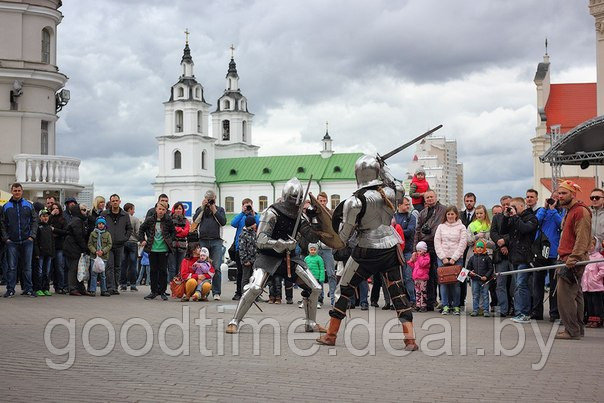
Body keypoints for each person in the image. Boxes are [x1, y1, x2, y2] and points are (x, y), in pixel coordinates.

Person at [317, 155, 418, 351]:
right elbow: (399, 186)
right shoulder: (390, 192)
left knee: (342, 291)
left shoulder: (354, 201)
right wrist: (384, 168)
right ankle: (410, 340)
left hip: (366, 249)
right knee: (398, 293)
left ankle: (330, 335)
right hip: (390, 246)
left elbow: (343, 237)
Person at [226, 178, 323, 334]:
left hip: (290, 258)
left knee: (315, 288)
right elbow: (260, 240)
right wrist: (281, 244)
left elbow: (312, 237)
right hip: (268, 257)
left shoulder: (300, 216)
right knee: (255, 287)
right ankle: (235, 320)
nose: (295, 203)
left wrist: (315, 218)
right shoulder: (272, 213)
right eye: (294, 199)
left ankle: (310, 323)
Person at [555, 180, 592, 340]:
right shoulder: (569, 211)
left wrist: (574, 257)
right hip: (568, 257)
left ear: (573, 193)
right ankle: (577, 329)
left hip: (572, 260)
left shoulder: (580, 212)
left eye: (564, 193)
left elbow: (582, 238)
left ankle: (571, 330)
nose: (560, 196)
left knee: (565, 296)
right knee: (576, 294)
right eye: (559, 193)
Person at [502, 197, 538, 324]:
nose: (511, 209)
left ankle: (524, 313)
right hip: (514, 257)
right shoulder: (512, 218)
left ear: (521, 206)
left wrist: (515, 217)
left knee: (521, 285)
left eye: (514, 207)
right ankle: (519, 312)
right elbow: (503, 231)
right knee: (517, 286)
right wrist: (506, 217)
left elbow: (525, 229)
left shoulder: (531, 218)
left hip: (525, 257)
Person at [1, 183, 38, 298]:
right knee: (11, 267)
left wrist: (32, 236)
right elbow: (2, 224)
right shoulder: (6, 206)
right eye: (15, 190)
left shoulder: (29, 205)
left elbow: (34, 220)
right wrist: (6, 238)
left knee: (27, 267)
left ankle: (28, 289)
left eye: (19, 190)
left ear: (22, 191)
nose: (17, 192)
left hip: (27, 241)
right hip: (12, 242)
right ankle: (10, 290)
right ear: (11, 191)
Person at [531, 192, 563, 321]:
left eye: (557, 197)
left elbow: (561, 224)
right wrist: (545, 208)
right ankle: (537, 312)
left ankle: (554, 313)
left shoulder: (562, 212)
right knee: (537, 283)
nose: (554, 199)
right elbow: (535, 222)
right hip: (540, 252)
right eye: (552, 197)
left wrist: (553, 210)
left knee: (554, 284)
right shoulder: (542, 211)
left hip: (554, 252)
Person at [414, 189, 446, 311]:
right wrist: (415, 250)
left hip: (439, 246)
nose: (430, 199)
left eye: (431, 197)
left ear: (436, 197)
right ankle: (429, 302)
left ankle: (445, 302)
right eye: (427, 198)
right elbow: (417, 231)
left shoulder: (444, 210)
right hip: (425, 248)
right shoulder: (422, 212)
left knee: (440, 275)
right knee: (427, 276)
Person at [191, 190, 226, 300]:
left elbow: (223, 222)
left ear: (215, 199)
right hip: (203, 240)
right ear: (204, 198)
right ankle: (202, 291)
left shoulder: (219, 209)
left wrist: (214, 209)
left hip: (216, 241)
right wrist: (202, 207)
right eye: (208, 199)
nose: (210, 201)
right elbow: (195, 221)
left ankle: (216, 292)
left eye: (212, 199)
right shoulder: (200, 209)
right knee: (202, 267)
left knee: (216, 267)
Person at [434, 205, 467, 315]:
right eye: (448, 214)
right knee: (443, 283)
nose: (450, 216)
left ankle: (456, 306)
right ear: (446, 215)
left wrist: (454, 258)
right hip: (442, 258)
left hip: (457, 259)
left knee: (456, 283)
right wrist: (443, 257)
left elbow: (463, 243)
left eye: (452, 214)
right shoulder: (441, 227)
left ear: (456, 215)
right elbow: (437, 242)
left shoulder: (461, 227)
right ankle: (445, 305)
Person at [139, 201, 175, 301]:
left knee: (163, 271)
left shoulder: (168, 220)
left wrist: (169, 240)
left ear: (166, 211)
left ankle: (162, 291)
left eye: (163, 209)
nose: (161, 211)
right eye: (159, 209)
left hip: (164, 249)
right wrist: (142, 240)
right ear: (156, 209)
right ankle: (153, 291)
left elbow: (173, 231)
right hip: (152, 249)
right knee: (153, 271)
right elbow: (141, 229)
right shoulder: (150, 220)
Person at [101, 194, 133, 295]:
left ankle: (115, 286)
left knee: (118, 266)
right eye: (113, 201)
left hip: (120, 244)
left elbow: (129, 228)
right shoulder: (105, 214)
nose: (115, 202)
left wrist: (125, 238)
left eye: (116, 200)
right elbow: (100, 226)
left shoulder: (125, 215)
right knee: (109, 266)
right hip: (108, 245)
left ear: (119, 202)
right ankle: (110, 287)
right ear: (110, 202)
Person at [230, 198, 259, 300]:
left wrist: (253, 213)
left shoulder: (254, 216)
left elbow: (259, 223)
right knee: (241, 273)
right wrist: (242, 213)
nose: (248, 206)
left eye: (249, 205)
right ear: (242, 206)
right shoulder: (241, 217)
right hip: (240, 248)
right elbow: (233, 223)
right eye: (246, 205)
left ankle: (254, 294)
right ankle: (239, 292)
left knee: (254, 274)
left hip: (253, 251)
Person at [390, 196, 416, 309]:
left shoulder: (411, 217)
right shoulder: (393, 217)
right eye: (406, 204)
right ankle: (399, 300)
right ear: (399, 205)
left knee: (408, 277)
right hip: (394, 251)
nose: (408, 206)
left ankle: (413, 300)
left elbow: (410, 231)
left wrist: (397, 231)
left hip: (407, 252)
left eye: (408, 204)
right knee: (396, 278)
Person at [491, 196, 515, 317]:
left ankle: (515, 307)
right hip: (500, 256)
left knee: (514, 283)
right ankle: (504, 309)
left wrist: (504, 242)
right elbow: (493, 233)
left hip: (514, 254)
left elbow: (515, 233)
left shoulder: (516, 217)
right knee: (500, 284)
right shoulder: (497, 217)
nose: (506, 206)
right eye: (504, 204)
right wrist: (501, 245)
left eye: (508, 204)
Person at [315, 192, 337, 307]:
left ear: (327, 201)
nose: (322, 203)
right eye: (320, 201)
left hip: (327, 247)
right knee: (318, 274)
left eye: (324, 201)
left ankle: (333, 298)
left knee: (331, 273)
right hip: (316, 247)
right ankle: (319, 298)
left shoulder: (331, 213)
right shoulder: (313, 214)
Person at [62, 204, 88, 296]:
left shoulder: (76, 220)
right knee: (74, 268)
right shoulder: (77, 221)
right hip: (73, 247)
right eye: (83, 210)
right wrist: (84, 247)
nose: (85, 212)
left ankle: (80, 288)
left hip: (72, 246)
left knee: (78, 268)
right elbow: (78, 236)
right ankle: (73, 288)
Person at [467, 240, 494, 317]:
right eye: (478, 247)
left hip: (484, 281)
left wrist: (486, 276)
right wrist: (470, 273)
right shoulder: (472, 258)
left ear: (484, 248)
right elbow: (468, 268)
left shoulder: (487, 258)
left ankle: (486, 310)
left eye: (481, 247)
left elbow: (490, 269)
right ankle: (475, 310)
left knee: (485, 294)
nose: (479, 249)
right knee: (475, 295)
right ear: (475, 248)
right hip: (475, 280)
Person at [582, 237, 604, 328]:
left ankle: (598, 319)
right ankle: (590, 319)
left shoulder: (599, 257)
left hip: (596, 286)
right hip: (587, 285)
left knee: (597, 304)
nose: (590, 247)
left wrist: (596, 278)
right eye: (589, 245)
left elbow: (602, 270)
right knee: (589, 303)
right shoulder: (587, 257)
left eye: (592, 245)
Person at [88, 216, 112, 297]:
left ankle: (104, 290)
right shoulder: (93, 233)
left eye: (102, 224)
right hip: (94, 257)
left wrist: (103, 251)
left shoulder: (107, 234)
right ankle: (92, 290)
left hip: (103, 257)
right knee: (93, 273)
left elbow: (109, 244)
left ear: (105, 225)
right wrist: (95, 251)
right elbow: (90, 244)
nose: (101, 225)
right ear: (96, 224)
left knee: (103, 274)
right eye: (99, 224)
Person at [49, 203, 68, 294]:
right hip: (49, 246)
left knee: (59, 267)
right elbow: (45, 224)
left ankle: (60, 286)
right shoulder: (50, 217)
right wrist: (51, 214)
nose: (55, 210)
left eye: (57, 208)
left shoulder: (63, 219)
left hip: (59, 246)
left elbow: (65, 232)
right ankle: (48, 286)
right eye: (53, 208)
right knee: (50, 268)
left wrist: (54, 230)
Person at [121, 202, 141, 291]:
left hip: (123, 242)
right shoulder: (135, 219)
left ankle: (123, 284)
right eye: (133, 209)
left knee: (123, 264)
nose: (134, 211)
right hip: (133, 243)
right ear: (129, 209)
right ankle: (133, 284)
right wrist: (140, 239)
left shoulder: (121, 219)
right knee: (133, 264)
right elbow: (138, 232)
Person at [34, 209, 54, 297]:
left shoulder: (49, 228)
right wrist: (37, 252)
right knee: (40, 271)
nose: (45, 218)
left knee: (47, 272)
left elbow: (52, 241)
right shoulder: (38, 227)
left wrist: (52, 252)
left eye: (47, 216)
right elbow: (36, 241)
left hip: (49, 253)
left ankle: (46, 288)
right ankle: (38, 288)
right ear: (40, 217)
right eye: (43, 216)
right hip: (41, 253)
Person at [168, 202, 190, 281]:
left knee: (180, 267)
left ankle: (179, 286)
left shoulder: (186, 220)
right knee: (172, 267)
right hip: (171, 246)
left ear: (182, 210)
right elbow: (169, 231)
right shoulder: (169, 219)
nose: (178, 210)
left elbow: (186, 232)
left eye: (180, 209)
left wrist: (177, 229)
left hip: (182, 246)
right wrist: (181, 230)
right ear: (174, 209)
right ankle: (172, 285)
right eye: (177, 208)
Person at [237, 215, 257, 293]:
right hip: (247, 261)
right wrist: (245, 260)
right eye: (254, 223)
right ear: (250, 224)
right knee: (246, 278)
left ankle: (254, 295)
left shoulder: (254, 233)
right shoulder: (243, 234)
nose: (256, 224)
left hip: (254, 260)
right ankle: (244, 293)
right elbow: (242, 248)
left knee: (254, 278)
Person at [409, 241, 430, 311]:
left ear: (424, 250)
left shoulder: (426, 257)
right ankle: (418, 305)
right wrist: (412, 260)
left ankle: (423, 305)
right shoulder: (417, 257)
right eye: (417, 250)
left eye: (420, 250)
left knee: (423, 292)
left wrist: (420, 257)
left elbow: (422, 264)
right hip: (416, 277)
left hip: (423, 277)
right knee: (417, 292)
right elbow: (414, 266)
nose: (418, 252)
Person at [303, 243, 325, 308]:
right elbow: (304, 267)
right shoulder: (306, 258)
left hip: (317, 277)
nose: (312, 251)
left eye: (314, 250)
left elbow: (322, 268)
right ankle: (307, 301)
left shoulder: (319, 258)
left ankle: (319, 301)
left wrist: (322, 277)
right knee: (308, 290)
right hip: (309, 277)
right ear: (309, 250)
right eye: (311, 249)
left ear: (317, 250)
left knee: (318, 291)